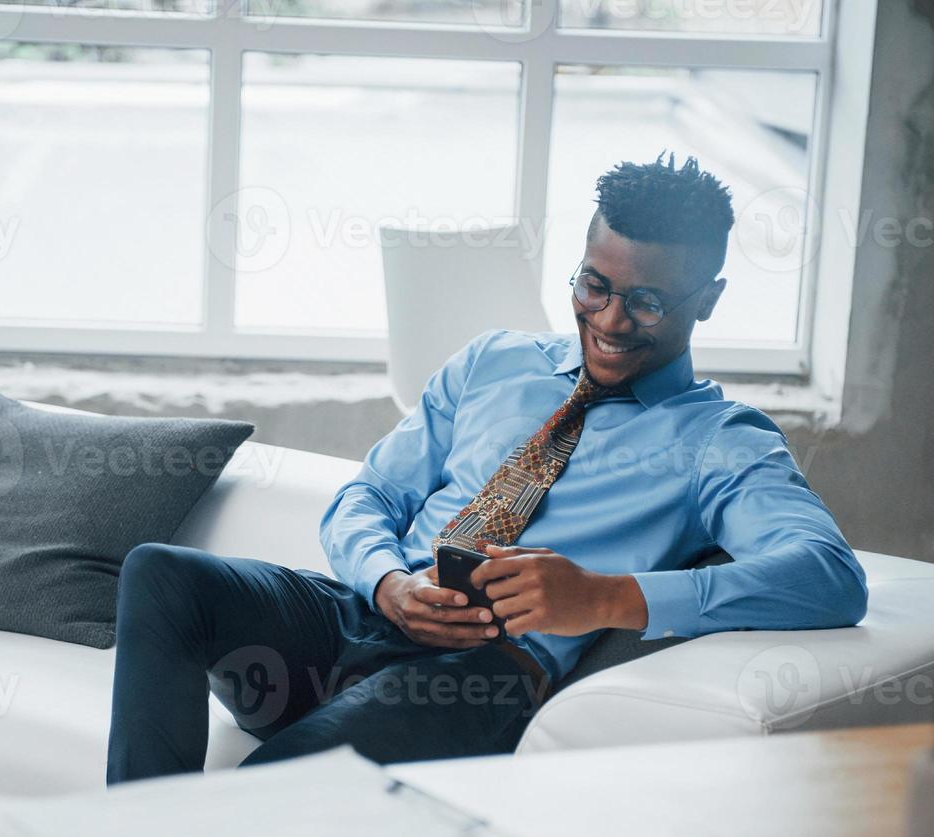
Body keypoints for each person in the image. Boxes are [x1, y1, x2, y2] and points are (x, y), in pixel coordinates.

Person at [106, 153, 868, 784]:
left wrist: (604, 597)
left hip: (485, 675)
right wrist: (386, 581)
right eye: (594, 286)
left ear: (709, 300)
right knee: (162, 573)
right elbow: (369, 494)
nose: (607, 320)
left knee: (265, 791)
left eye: (646, 303)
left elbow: (829, 576)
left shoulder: (721, 439)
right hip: (360, 617)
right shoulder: (493, 361)